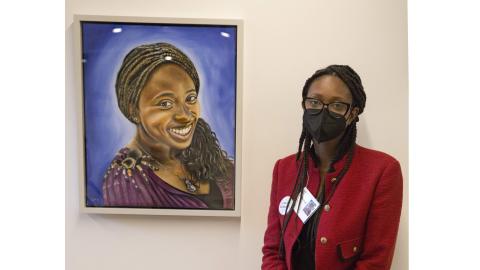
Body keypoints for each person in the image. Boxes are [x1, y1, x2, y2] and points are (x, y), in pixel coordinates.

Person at [261, 65, 403, 269]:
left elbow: (376, 261)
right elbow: (273, 251)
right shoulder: (285, 168)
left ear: (352, 113)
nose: (323, 111)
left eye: (337, 105)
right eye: (314, 102)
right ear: (305, 105)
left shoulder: (382, 171)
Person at [102, 42, 234, 209]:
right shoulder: (127, 180)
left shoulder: (205, 153)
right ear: (133, 110)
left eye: (190, 98)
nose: (185, 116)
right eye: (165, 103)